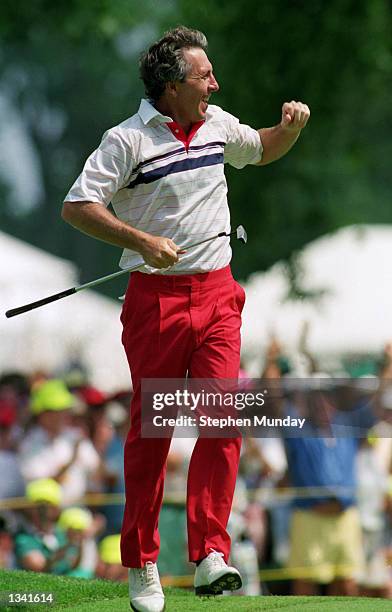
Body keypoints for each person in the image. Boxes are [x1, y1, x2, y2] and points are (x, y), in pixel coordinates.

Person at [62, 25, 310, 612]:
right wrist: (139, 239)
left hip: (219, 293)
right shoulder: (125, 140)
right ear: (172, 85)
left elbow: (262, 147)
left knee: (225, 420)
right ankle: (143, 565)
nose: (214, 83)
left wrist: (289, 130)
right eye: (204, 75)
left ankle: (209, 556)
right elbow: (77, 205)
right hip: (156, 300)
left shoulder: (219, 123)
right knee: (155, 433)